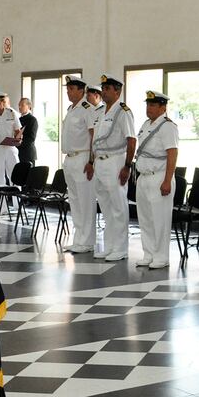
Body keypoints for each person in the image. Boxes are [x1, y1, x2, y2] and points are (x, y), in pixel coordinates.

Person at [90, 74, 135, 261]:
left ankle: (121, 248)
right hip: (100, 161)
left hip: (116, 160)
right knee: (106, 207)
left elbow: (131, 140)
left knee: (118, 206)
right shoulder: (101, 111)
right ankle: (109, 247)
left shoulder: (123, 112)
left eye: (107, 89)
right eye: (103, 88)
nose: (104, 91)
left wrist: (127, 166)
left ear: (118, 91)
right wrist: (92, 162)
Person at [135, 90, 179, 268]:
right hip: (144, 177)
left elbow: (172, 154)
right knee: (145, 219)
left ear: (163, 107)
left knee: (159, 219)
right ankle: (149, 253)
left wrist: (167, 180)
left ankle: (161, 256)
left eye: (153, 105)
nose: (149, 108)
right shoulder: (146, 124)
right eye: (147, 104)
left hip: (159, 177)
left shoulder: (168, 126)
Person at [61, 76, 97, 253]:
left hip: (83, 158)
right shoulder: (71, 109)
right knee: (75, 201)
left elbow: (94, 137)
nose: (67, 92)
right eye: (67, 89)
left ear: (81, 90)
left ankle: (88, 241)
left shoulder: (87, 109)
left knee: (85, 201)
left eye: (70, 89)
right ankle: (78, 239)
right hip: (70, 159)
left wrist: (91, 161)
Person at [16, 97, 38, 166]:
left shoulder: (32, 120)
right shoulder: (18, 119)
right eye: (19, 105)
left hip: (28, 154)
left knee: (28, 176)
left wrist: (17, 143)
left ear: (28, 106)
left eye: (22, 105)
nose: (19, 107)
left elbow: (31, 138)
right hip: (18, 152)